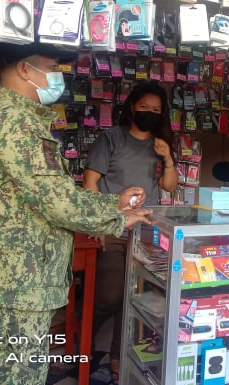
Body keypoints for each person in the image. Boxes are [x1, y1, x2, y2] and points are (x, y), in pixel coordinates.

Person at [0, 42, 152, 385]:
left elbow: (45, 195)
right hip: (16, 281)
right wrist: (117, 216)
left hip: (10, 276)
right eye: (52, 67)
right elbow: (56, 202)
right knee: (15, 376)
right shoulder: (16, 123)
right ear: (24, 69)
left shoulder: (3, 116)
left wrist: (112, 204)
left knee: (4, 373)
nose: (58, 77)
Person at [82, 82, 178, 383]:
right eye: (144, 107)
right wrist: (98, 222)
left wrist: (168, 158)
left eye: (156, 110)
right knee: (109, 296)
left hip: (145, 234)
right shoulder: (111, 138)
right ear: (132, 106)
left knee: (134, 300)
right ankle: (78, 345)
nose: (149, 113)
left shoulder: (160, 144)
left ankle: (117, 360)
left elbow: (169, 187)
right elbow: (90, 183)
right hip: (111, 229)